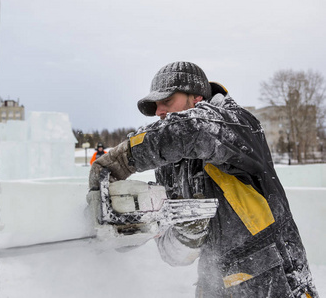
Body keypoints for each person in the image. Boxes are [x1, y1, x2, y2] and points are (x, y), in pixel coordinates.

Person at [88, 61, 318, 297]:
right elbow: (171, 255)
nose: (159, 112)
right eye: (156, 106)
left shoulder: (238, 125)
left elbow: (194, 130)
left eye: (167, 101)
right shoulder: (170, 166)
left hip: (274, 279)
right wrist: (187, 236)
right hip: (214, 284)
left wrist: (123, 157)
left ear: (196, 97)